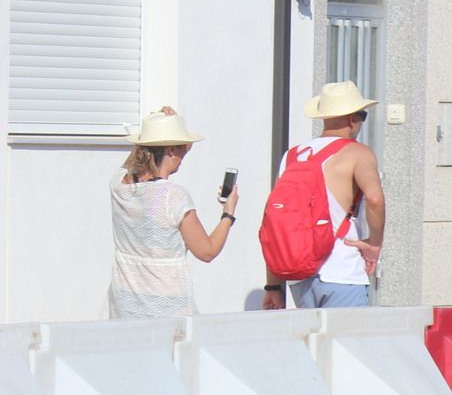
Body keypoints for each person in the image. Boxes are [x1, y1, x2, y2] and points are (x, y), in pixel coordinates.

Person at [263, 81, 386, 309]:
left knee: (312, 344)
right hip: (343, 270)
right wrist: (374, 244)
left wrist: (273, 285)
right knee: (346, 344)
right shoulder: (358, 154)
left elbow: (275, 223)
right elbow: (375, 199)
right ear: (352, 119)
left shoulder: (293, 156)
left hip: (301, 275)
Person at [108, 107, 238, 319]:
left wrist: (165, 130)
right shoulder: (173, 197)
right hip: (166, 305)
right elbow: (207, 251)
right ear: (170, 150)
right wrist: (228, 213)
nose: (184, 155)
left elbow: (132, 163)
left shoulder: (119, 185)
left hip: (125, 302)